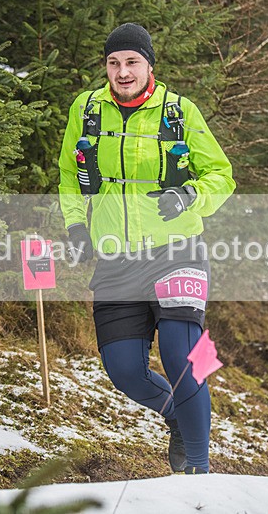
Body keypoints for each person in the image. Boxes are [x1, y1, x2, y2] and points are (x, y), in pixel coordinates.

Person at [58, 23, 235, 475]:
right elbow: (69, 175)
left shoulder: (178, 111)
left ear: (149, 65)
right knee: (123, 370)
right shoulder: (87, 109)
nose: (122, 72)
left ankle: (198, 469)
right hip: (116, 257)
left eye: (132, 62)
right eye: (114, 63)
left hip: (176, 249)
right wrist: (77, 227)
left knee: (181, 356)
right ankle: (176, 415)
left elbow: (221, 175)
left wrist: (189, 195)